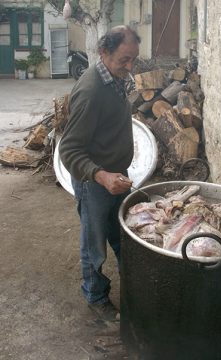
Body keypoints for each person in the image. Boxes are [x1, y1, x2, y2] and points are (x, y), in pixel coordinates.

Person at [59, 25, 141, 320]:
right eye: (124, 60)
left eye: (134, 59)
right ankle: (96, 297)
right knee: (94, 245)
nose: (130, 67)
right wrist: (102, 176)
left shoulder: (115, 78)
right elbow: (68, 150)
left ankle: (136, 288)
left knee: (124, 235)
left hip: (117, 176)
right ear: (103, 53)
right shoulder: (91, 90)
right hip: (94, 182)